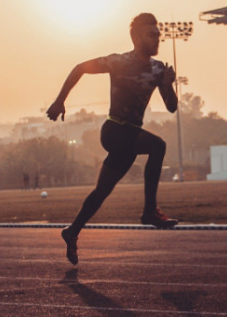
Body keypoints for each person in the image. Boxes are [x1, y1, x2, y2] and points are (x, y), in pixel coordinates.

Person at [47, 13, 179, 265]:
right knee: (157, 146)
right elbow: (80, 68)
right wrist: (60, 99)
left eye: (158, 34)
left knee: (101, 192)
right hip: (115, 130)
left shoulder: (158, 69)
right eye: (152, 34)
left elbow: (171, 107)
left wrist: (168, 84)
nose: (157, 39)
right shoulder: (118, 62)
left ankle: (71, 231)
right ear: (137, 37)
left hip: (129, 140)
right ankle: (149, 211)